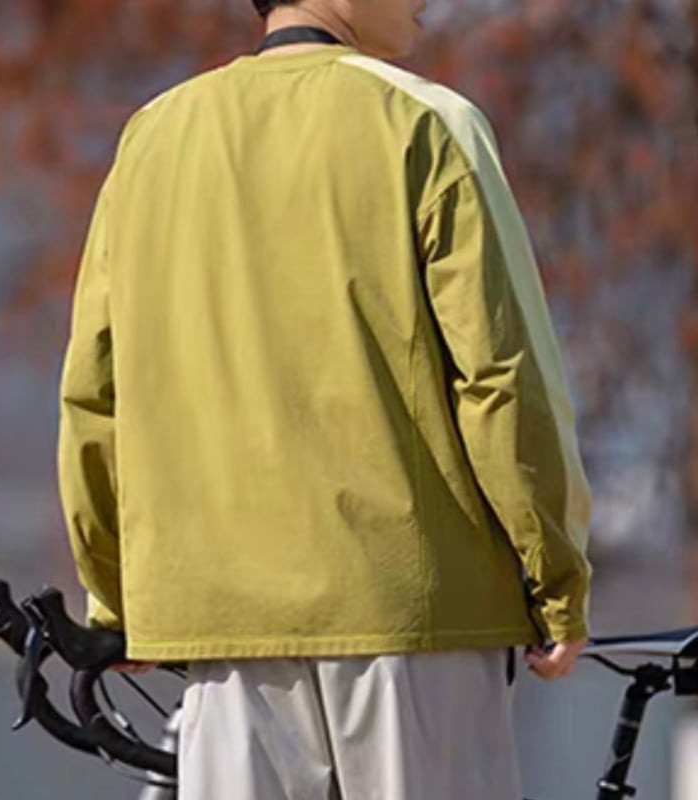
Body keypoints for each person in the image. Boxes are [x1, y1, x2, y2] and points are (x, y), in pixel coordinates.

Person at [56, 0, 593, 797]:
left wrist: (118, 598)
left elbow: (96, 394)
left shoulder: (153, 136)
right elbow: (502, 378)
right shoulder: (427, 120)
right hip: (411, 613)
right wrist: (555, 580)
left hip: (219, 621)